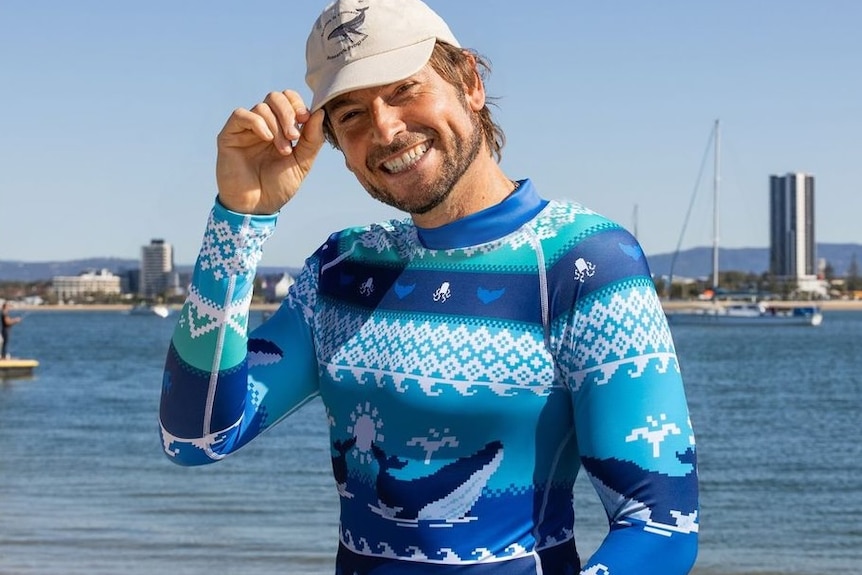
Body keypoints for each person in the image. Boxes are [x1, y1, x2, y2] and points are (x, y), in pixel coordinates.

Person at [158, 0, 699, 573]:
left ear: (469, 82)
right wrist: (241, 218)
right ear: (338, 147)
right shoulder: (342, 273)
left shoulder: (582, 262)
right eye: (352, 116)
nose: (386, 129)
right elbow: (195, 438)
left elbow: (661, 525)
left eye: (403, 90)